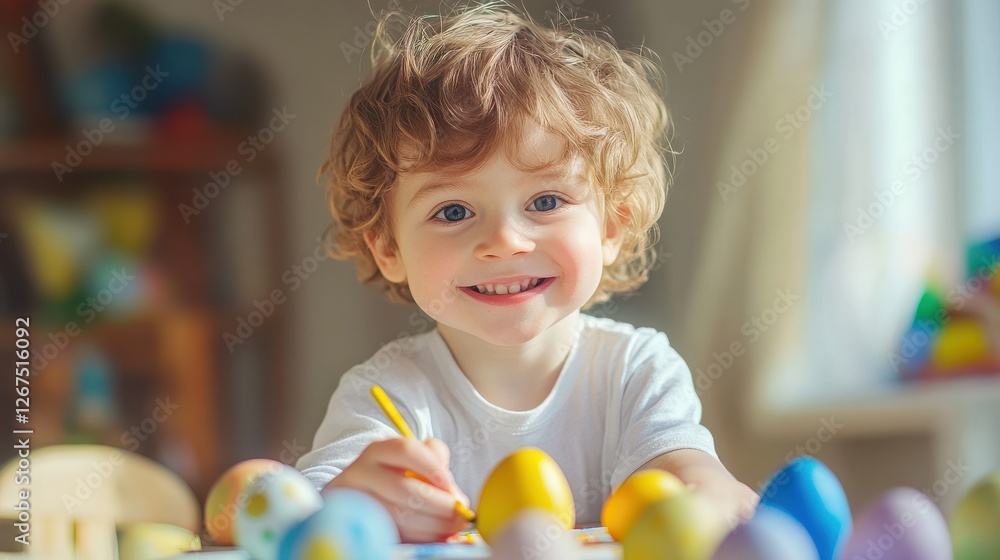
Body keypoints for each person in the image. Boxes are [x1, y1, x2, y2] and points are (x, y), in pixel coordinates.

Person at [297, 2, 758, 543]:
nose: (504, 242)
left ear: (611, 226)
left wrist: (711, 495)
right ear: (388, 247)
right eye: (453, 211)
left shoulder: (636, 372)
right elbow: (294, 524)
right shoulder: (384, 395)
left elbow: (693, 478)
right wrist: (346, 503)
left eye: (545, 201)